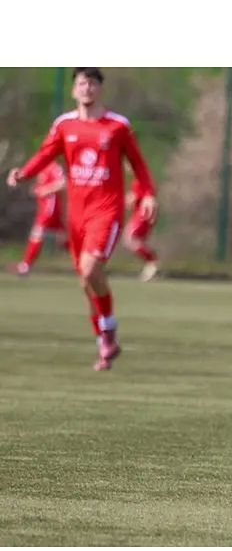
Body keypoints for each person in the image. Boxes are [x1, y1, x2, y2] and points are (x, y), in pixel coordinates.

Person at [6, 68, 157, 371]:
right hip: (76, 215)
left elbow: (137, 162)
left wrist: (149, 193)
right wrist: (24, 173)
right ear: (74, 90)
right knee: (85, 282)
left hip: (106, 211)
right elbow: (46, 154)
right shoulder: (64, 125)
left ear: (100, 89)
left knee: (90, 271)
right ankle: (104, 341)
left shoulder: (117, 126)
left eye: (92, 83)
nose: (86, 88)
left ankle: (108, 328)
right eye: (81, 83)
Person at [7, 161, 67, 276]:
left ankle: (25, 265)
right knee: (64, 238)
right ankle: (83, 262)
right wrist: (36, 189)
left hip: (50, 210)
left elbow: (62, 183)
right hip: (45, 210)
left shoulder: (53, 167)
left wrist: (44, 190)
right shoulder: (42, 168)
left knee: (37, 234)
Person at [122, 176, 160, 282]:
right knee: (131, 239)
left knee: (130, 238)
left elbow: (132, 200)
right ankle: (151, 263)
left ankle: (152, 261)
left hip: (143, 214)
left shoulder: (140, 180)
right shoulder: (141, 180)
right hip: (142, 213)